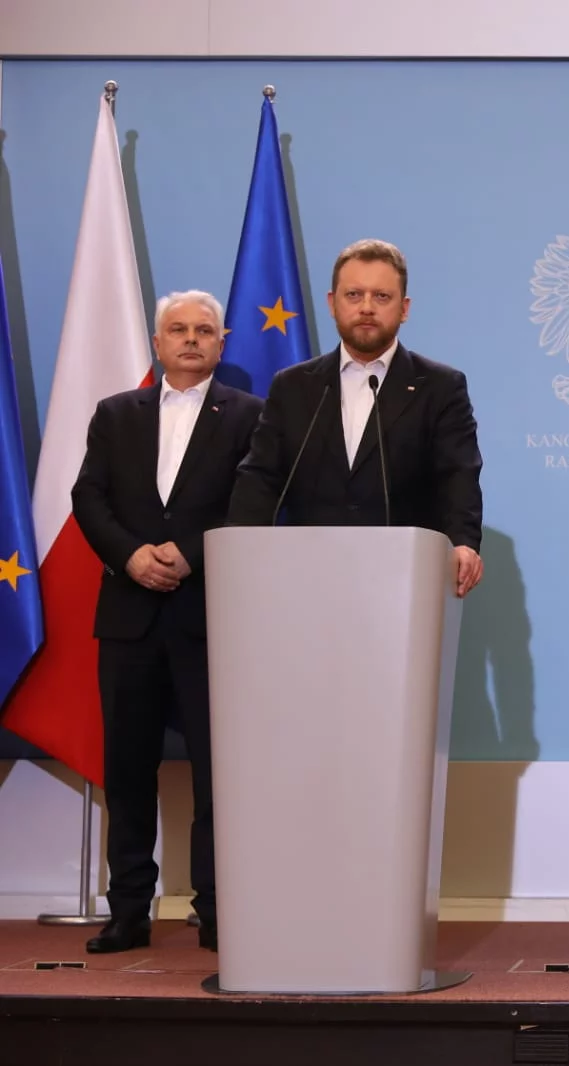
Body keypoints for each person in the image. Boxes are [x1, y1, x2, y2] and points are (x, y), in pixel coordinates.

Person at [71, 291, 265, 953]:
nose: (189, 339)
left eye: (203, 330)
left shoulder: (251, 417)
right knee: (127, 772)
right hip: (127, 619)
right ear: (157, 343)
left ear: (221, 341)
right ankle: (128, 911)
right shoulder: (115, 414)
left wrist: (188, 552)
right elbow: (87, 495)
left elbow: (252, 502)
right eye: (177, 330)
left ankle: (217, 910)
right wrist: (130, 555)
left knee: (218, 773)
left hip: (208, 619)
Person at [228, 239, 484, 596]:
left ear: (404, 308)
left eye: (381, 296)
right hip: (306, 580)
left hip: (403, 581)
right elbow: (261, 477)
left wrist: (463, 542)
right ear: (332, 303)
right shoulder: (294, 386)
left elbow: (457, 476)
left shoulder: (440, 387)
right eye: (353, 295)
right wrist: (241, 546)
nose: (366, 307)